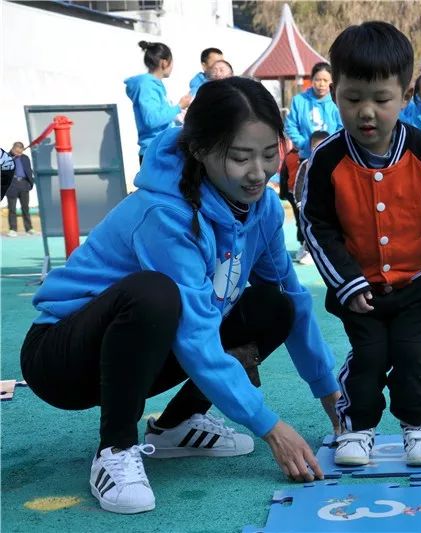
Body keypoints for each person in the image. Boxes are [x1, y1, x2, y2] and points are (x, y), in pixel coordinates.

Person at [20, 77, 341, 515]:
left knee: (274, 304)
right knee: (156, 294)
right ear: (200, 151)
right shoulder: (165, 213)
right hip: (63, 358)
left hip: (143, 350)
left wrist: (330, 393)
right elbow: (194, 337)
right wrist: (270, 426)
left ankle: (177, 426)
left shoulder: (263, 207)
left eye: (270, 153)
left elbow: (293, 298)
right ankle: (115, 450)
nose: (258, 172)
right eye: (240, 157)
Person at [300, 21, 421, 468]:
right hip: (359, 292)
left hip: (417, 285)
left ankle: (419, 426)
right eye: (352, 98)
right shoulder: (326, 161)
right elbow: (315, 226)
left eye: (381, 100)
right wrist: (345, 281)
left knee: (411, 354)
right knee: (368, 358)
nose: (367, 112)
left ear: (404, 96)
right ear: (335, 93)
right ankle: (357, 428)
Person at [125, 41, 192, 163]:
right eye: (172, 63)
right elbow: (152, 120)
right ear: (164, 62)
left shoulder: (154, 85)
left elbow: (160, 117)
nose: (172, 67)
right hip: (153, 152)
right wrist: (178, 107)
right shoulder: (147, 86)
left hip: (161, 148)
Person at [285, 62, 342, 160]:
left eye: (325, 80)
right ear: (311, 80)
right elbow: (290, 126)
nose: (322, 84)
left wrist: (332, 145)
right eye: (318, 80)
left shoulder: (337, 102)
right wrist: (303, 144)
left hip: (331, 156)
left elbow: (342, 127)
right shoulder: (299, 101)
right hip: (305, 157)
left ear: (332, 82)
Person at [293, 130, 330, 265]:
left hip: (329, 207)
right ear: (311, 148)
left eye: (323, 146)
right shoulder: (306, 164)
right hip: (310, 207)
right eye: (316, 147)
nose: (319, 150)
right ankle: (308, 250)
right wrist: (300, 204)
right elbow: (298, 186)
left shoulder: (335, 164)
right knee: (311, 229)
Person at [6, 142, 35, 236]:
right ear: (13, 149)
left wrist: (30, 184)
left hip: (24, 184)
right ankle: (13, 229)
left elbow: (29, 170)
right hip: (11, 185)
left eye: (20, 152)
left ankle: (29, 228)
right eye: (17, 151)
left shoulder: (25, 158)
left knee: (25, 208)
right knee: (12, 209)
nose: (19, 153)